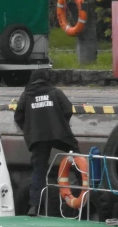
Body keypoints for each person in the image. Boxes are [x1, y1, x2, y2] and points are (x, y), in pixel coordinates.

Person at [14, 68, 79, 216]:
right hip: (59, 134)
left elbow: (18, 116)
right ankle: (84, 185)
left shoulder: (26, 95)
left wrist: (29, 130)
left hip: (37, 138)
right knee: (76, 154)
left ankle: (34, 206)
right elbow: (68, 109)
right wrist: (61, 123)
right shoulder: (55, 92)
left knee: (39, 170)